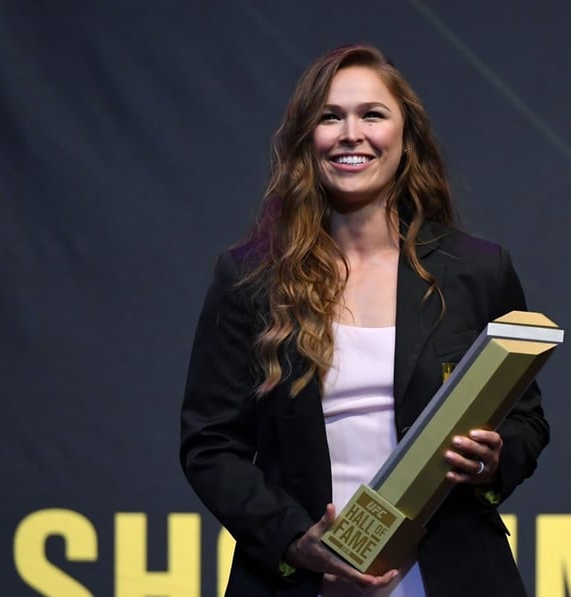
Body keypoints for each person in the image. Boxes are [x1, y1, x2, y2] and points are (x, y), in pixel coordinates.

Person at [180, 44, 549, 597]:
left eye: (372, 115)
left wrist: (493, 461)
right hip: (305, 581)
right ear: (307, 138)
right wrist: (294, 540)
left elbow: (526, 420)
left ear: (406, 136)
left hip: (452, 575)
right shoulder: (251, 276)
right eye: (331, 117)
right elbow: (210, 445)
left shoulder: (476, 269)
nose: (351, 134)